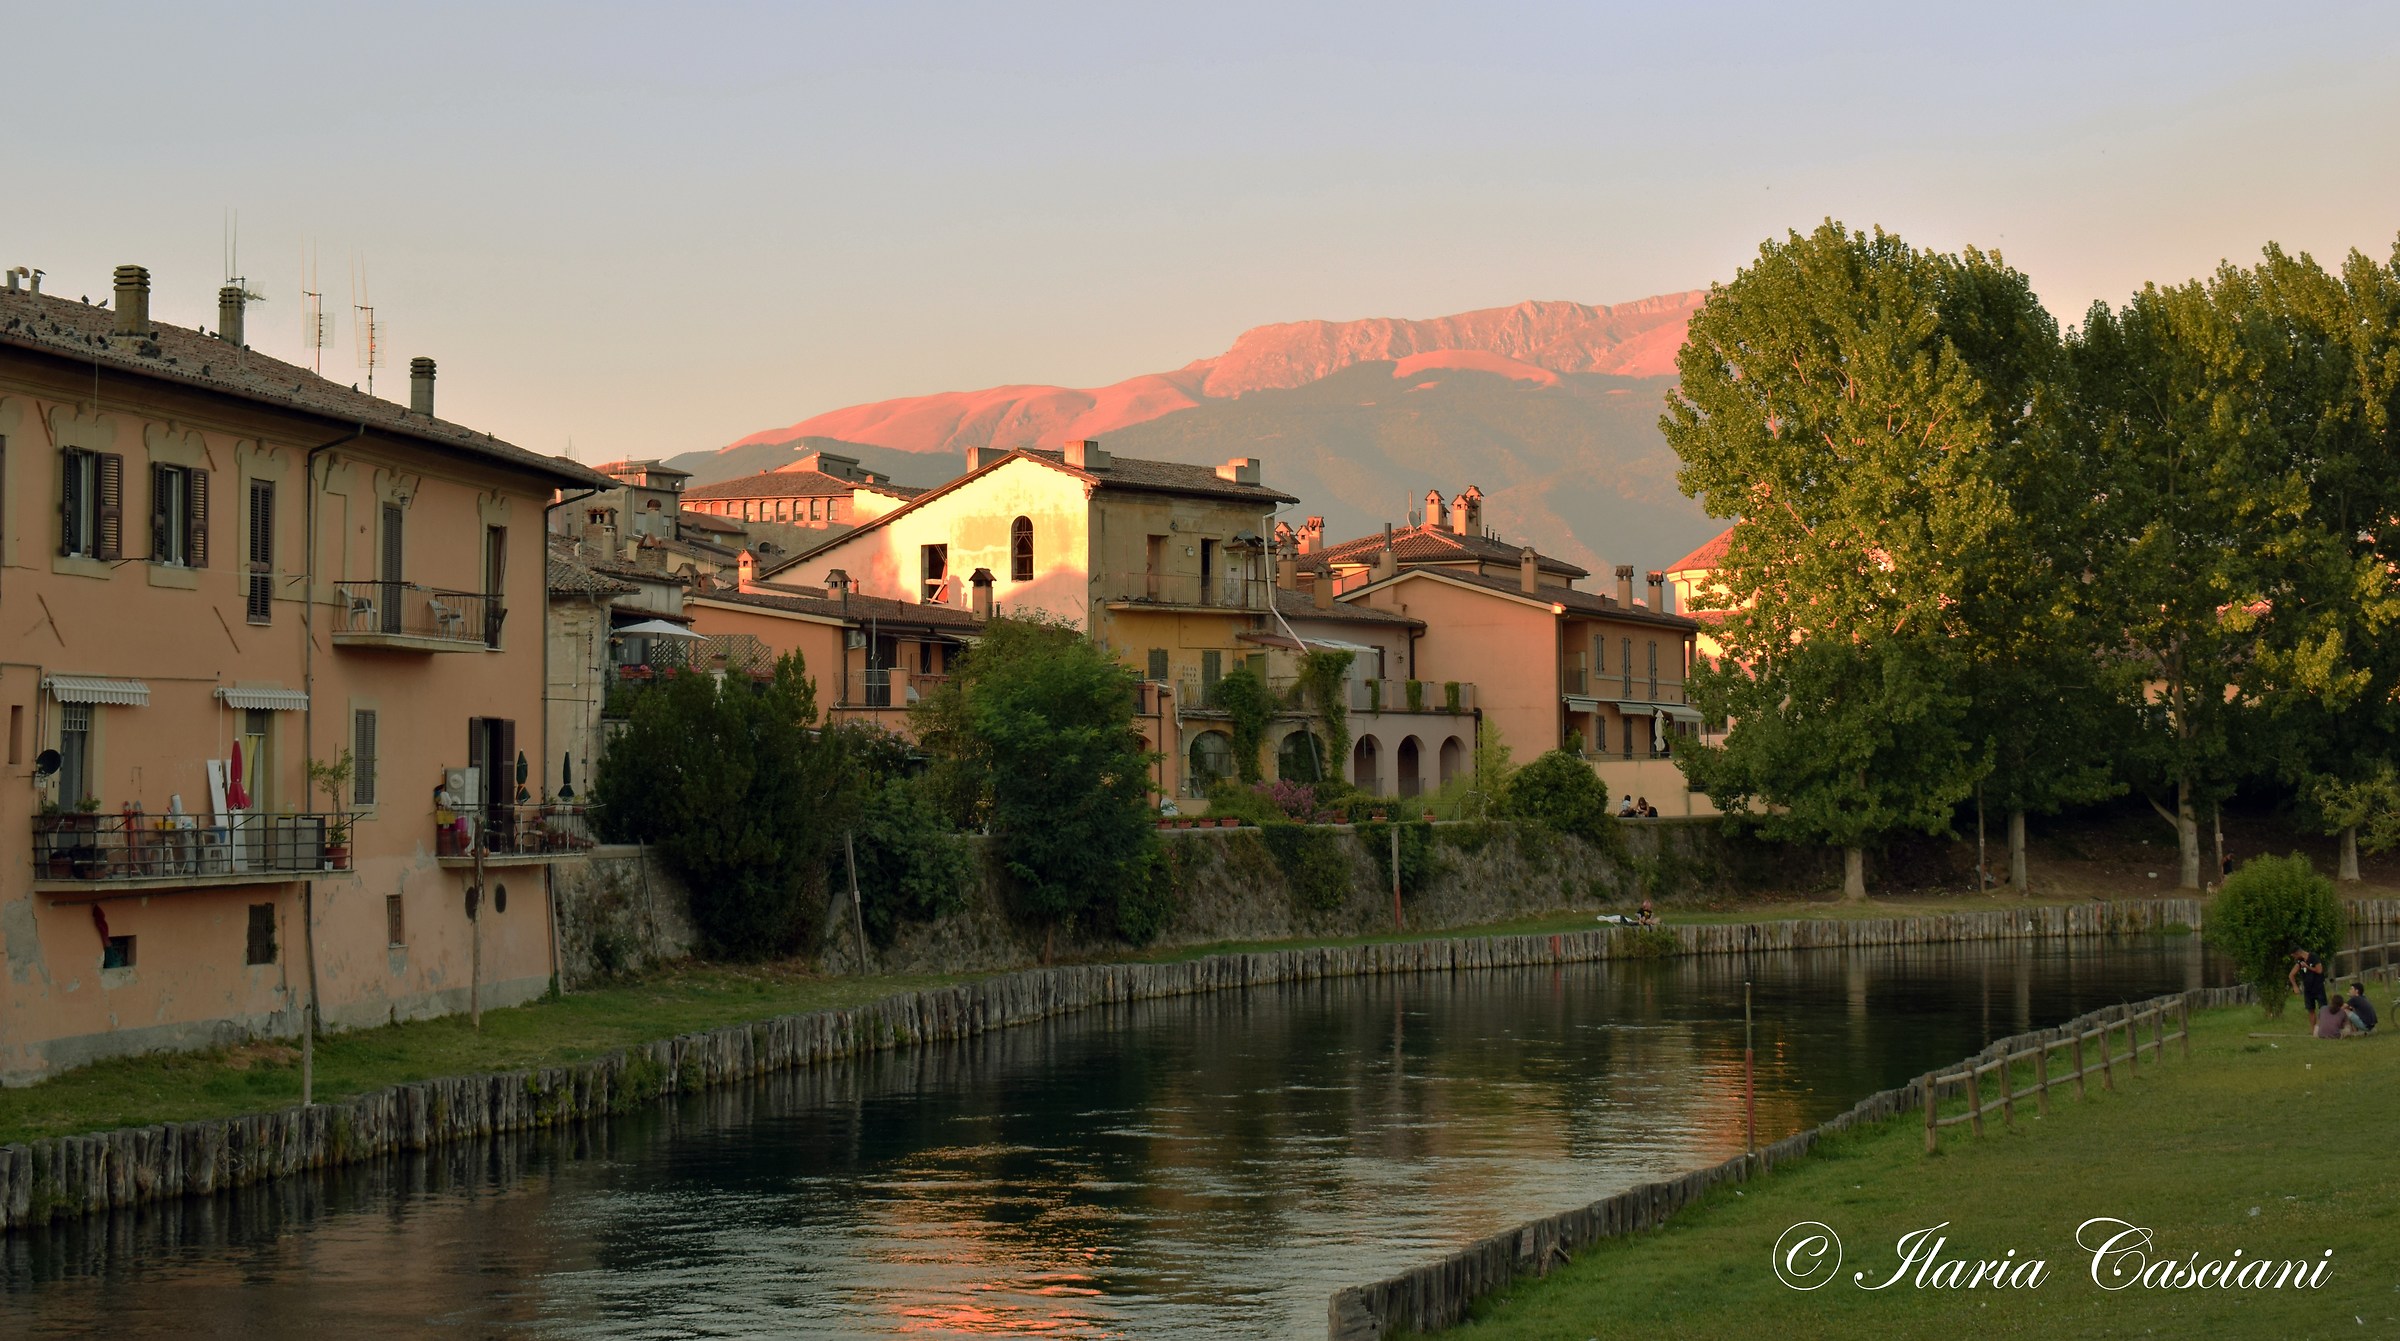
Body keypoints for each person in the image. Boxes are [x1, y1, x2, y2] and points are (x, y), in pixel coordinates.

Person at [2289, 949, 2329, 1018]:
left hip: (2318, 987)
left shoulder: (2314, 957)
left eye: (2294, 956)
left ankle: (2323, 1024)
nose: (2294, 958)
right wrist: (2295, 986)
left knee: (2323, 1009)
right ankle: (2313, 1025)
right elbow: (2291, 975)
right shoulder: (2300, 961)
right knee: (2310, 1010)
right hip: (2308, 988)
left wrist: (2307, 966)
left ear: (2297, 953)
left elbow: (2319, 970)